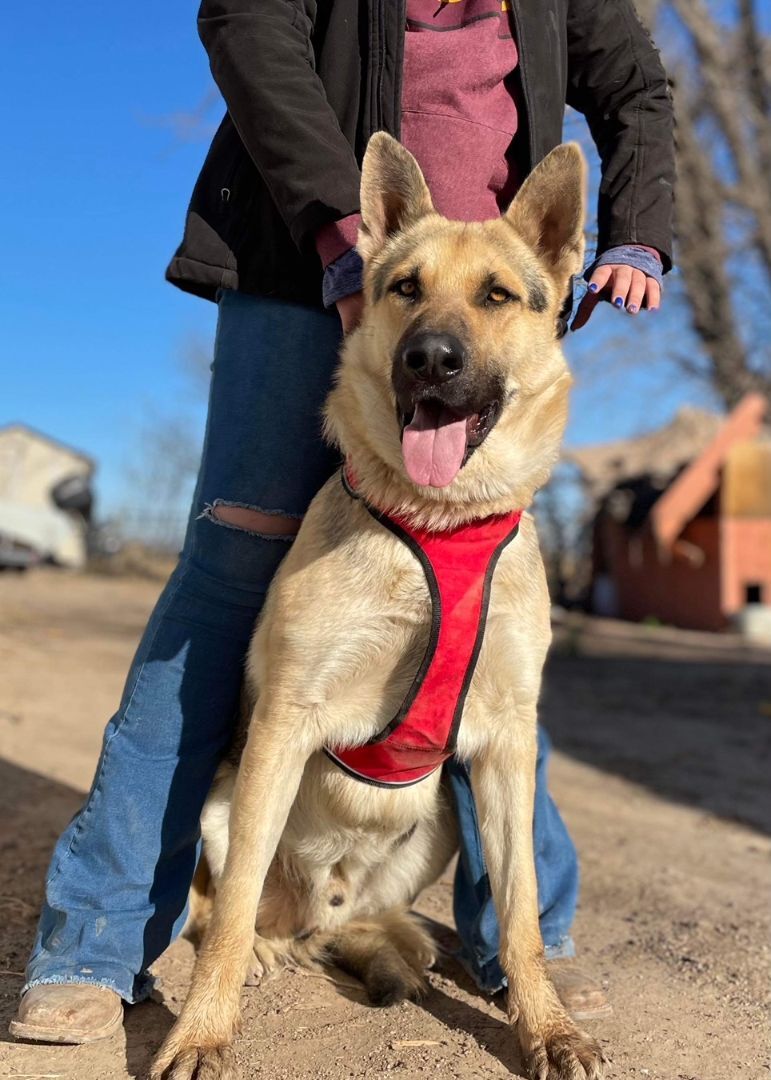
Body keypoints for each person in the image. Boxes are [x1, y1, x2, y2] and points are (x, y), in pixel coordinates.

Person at [11, 0, 674, 1045]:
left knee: (492, 658)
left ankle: (523, 947)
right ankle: (96, 938)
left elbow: (631, 80)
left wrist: (636, 226)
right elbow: (247, 24)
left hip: (490, 261)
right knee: (228, 583)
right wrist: (340, 237)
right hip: (303, 253)